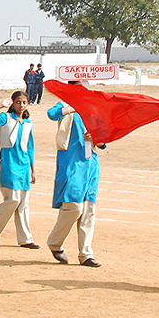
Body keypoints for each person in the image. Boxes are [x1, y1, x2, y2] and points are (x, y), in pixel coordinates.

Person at [46, 81, 105, 267]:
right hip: (71, 162)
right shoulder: (64, 104)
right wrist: (71, 107)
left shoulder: (93, 109)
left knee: (89, 210)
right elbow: (51, 114)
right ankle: (55, 242)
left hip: (90, 163)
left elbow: (103, 138)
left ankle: (86, 254)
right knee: (73, 207)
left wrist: (96, 138)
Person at [0, 91, 39, 248]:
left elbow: (30, 147)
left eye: (24, 102)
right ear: (13, 103)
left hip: (24, 166)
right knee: (13, 199)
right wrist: (1, 105)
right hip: (9, 164)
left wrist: (33, 169)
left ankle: (26, 239)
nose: (21, 105)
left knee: (23, 203)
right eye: (18, 102)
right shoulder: (5, 118)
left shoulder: (28, 123)